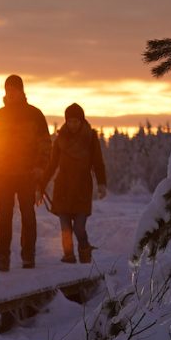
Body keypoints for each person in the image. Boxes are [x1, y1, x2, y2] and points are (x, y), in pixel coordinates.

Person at [0, 73, 50, 271]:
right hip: (2, 174)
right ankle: (2, 256)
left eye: (14, 89)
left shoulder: (35, 115)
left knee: (28, 215)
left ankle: (28, 255)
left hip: (27, 174)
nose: (10, 93)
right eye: (8, 90)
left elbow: (45, 145)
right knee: (4, 216)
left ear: (21, 91)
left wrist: (39, 168)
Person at [43, 102, 108, 264]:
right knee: (65, 228)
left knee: (79, 228)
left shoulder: (90, 137)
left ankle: (85, 251)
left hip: (82, 187)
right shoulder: (60, 139)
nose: (72, 125)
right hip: (63, 188)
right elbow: (52, 165)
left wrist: (101, 184)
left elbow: (98, 162)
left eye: (76, 121)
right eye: (70, 121)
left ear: (81, 121)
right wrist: (41, 185)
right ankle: (68, 256)